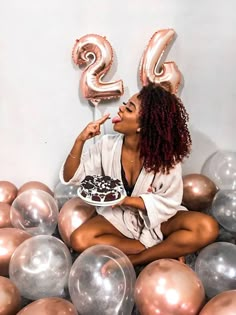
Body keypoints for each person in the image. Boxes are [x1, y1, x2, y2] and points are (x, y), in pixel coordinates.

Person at [59, 83, 219, 267]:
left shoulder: (166, 158)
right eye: (125, 105)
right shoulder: (106, 146)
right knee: (79, 239)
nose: (120, 108)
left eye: (128, 108)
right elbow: (73, 176)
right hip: (121, 219)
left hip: (159, 220)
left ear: (142, 126)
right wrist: (80, 141)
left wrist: (125, 200)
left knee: (207, 227)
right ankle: (163, 250)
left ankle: (135, 258)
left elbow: (169, 203)